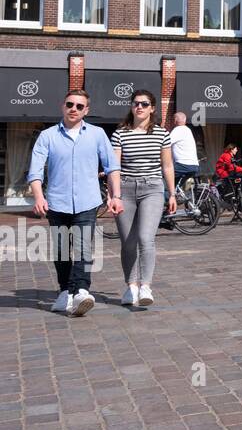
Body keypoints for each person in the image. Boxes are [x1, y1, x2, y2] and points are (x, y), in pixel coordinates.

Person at [27, 88, 122, 317]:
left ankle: (81, 290)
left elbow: (112, 167)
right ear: (63, 105)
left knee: (82, 247)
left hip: (87, 201)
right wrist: (39, 196)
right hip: (57, 203)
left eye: (79, 106)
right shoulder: (47, 136)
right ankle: (64, 292)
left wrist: (116, 196)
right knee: (61, 250)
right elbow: (35, 171)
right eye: (70, 104)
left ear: (86, 110)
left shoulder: (98, 134)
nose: (74, 109)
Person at [111, 89, 176, 308]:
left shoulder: (161, 133)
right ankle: (131, 287)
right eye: (136, 103)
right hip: (126, 190)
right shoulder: (120, 133)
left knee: (146, 238)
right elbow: (115, 167)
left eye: (144, 104)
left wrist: (172, 193)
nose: (139, 107)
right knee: (128, 242)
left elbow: (167, 165)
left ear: (152, 108)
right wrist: (115, 195)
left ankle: (146, 286)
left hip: (152, 189)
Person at [168, 111, 201, 198]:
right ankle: (173, 200)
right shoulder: (188, 130)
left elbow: (166, 143)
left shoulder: (178, 130)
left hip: (183, 165)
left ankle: (168, 197)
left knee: (164, 173)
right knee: (174, 185)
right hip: (194, 165)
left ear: (175, 120)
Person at [215, 142, 242, 214]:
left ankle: (239, 196)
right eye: (235, 149)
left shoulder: (229, 156)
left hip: (227, 173)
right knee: (241, 177)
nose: (237, 150)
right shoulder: (226, 155)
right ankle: (237, 198)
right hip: (223, 174)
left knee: (240, 177)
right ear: (231, 149)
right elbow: (231, 167)